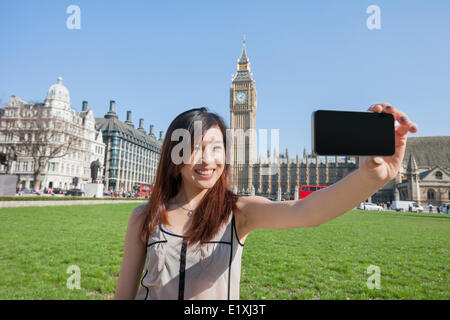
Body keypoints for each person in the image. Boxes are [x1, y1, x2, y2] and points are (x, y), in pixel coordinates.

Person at [114, 103, 418, 300]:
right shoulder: (145, 217)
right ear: (175, 155)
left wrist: (372, 177)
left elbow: (306, 211)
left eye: (216, 148)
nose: (208, 159)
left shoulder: (237, 212)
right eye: (195, 148)